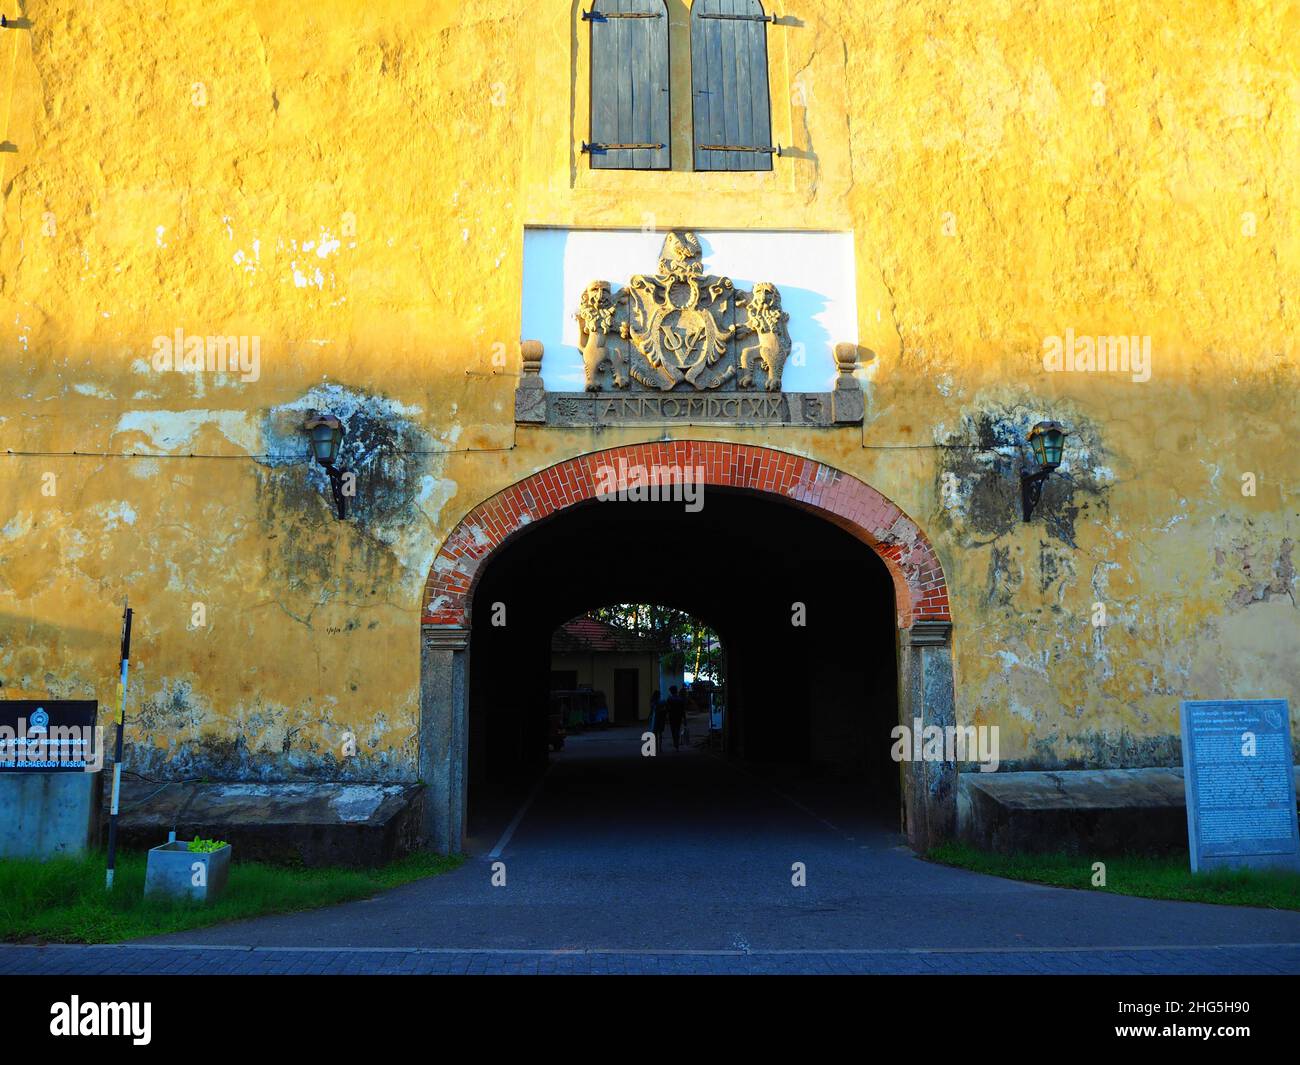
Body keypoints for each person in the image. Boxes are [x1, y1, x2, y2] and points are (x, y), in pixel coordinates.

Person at [666, 685, 687, 751]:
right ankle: (676, 744)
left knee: (673, 730)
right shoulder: (680, 699)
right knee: (677, 729)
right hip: (679, 717)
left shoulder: (669, 699)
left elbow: (667, 709)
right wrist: (684, 719)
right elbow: (683, 710)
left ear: (671, 691)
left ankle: (675, 743)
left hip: (672, 717)